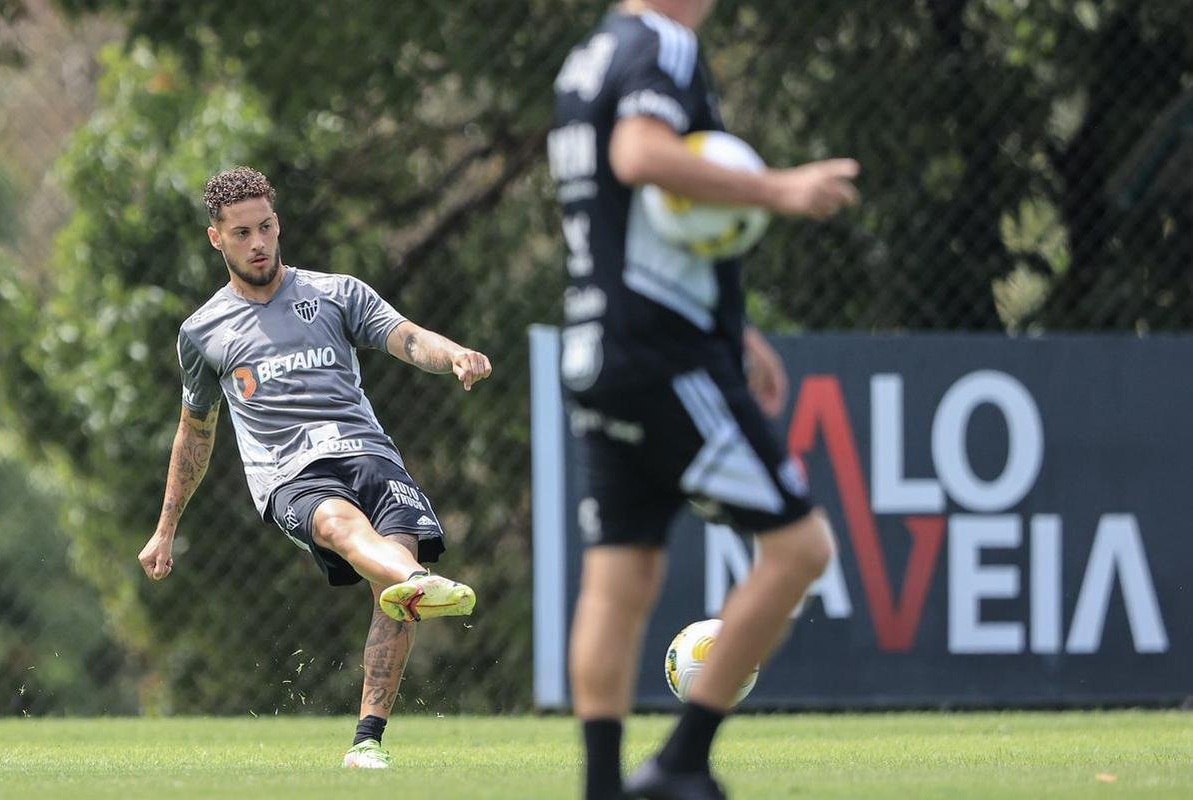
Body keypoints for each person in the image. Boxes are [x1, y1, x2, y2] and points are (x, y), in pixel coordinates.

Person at [550, 2, 860, 798]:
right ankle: (684, 760)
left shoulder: (587, 60)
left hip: (600, 349)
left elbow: (629, 225)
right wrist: (778, 188)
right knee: (800, 548)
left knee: (620, 581)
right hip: (663, 359)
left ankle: (601, 789)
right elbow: (640, 155)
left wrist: (732, 327)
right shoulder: (666, 43)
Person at [137, 166, 490, 769]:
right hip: (291, 474)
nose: (258, 243)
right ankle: (418, 583)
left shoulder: (336, 293)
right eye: (242, 232)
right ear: (215, 238)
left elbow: (404, 337)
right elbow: (195, 432)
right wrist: (166, 528)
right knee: (338, 527)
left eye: (267, 227)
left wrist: (453, 353)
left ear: (279, 224)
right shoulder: (202, 332)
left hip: (368, 452)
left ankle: (367, 742)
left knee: (389, 586)